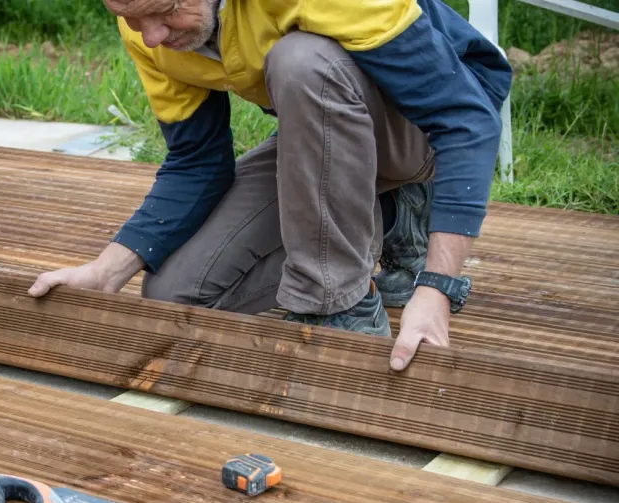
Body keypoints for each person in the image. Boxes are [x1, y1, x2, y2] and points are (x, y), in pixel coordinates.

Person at [28, 0, 512, 372]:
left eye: (166, 11)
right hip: (332, 129)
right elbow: (197, 162)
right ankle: (390, 217)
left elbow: (465, 118)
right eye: (133, 18)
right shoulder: (147, 26)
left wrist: (437, 289)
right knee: (176, 294)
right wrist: (107, 271)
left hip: (428, 123)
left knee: (302, 61)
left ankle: (342, 309)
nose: (151, 36)